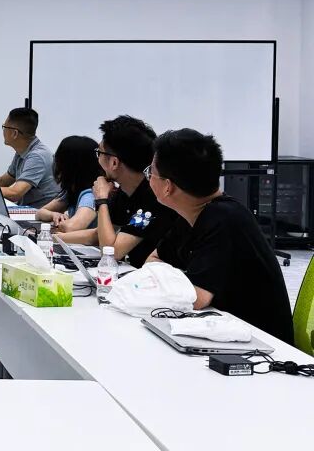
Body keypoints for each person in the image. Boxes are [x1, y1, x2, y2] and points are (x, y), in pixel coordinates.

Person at [147, 129, 292, 342]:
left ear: (167, 186)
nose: (148, 177)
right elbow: (153, 260)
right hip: (221, 331)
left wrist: (165, 280)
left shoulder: (224, 218)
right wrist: (173, 281)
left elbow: (196, 298)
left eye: (151, 172)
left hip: (259, 344)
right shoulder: (193, 213)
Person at [56, 115, 176, 268]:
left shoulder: (153, 196)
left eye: (99, 153)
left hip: (158, 277)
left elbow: (112, 252)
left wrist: (101, 200)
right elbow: (98, 235)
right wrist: (54, 238)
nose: (98, 159)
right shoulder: (124, 192)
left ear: (114, 162)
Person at [35, 135, 99, 232]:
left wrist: (62, 223)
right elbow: (39, 213)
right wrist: (54, 215)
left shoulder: (90, 195)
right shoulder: (73, 191)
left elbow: (71, 227)